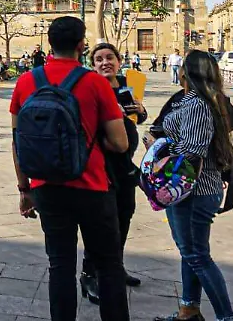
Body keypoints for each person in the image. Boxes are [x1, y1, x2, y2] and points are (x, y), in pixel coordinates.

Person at [10, 17, 130, 321]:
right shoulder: (95, 83)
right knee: (108, 265)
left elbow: (17, 141)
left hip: (46, 188)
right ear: (81, 45)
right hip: (92, 187)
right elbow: (120, 144)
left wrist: (25, 190)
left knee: (60, 265)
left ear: (49, 44)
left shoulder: (26, 82)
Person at [149, 50, 233, 321]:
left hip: (193, 190)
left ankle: (226, 317)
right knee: (190, 253)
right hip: (186, 191)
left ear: (187, 73)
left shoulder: (199, 104)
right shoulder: (193, 101)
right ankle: (189, 310)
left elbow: (192, 150)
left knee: (197, 255)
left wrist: (159, 150)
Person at [80, 43, 148, 305]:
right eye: (98, 59)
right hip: (102, 165)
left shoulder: (126, 84)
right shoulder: (90, 86)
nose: (105, 62)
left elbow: (137, 119)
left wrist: (140, 112)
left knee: (124, 215)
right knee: (101, 222)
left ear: (119, 61)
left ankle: (114, 267)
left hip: (125, 166)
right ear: (92, 64)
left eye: (110, 57)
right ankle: (90, 273)